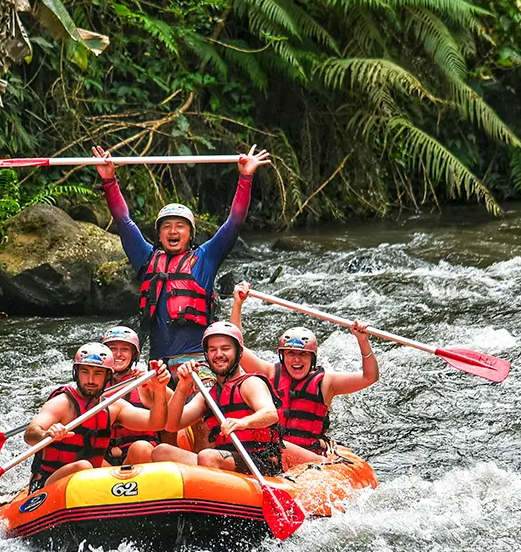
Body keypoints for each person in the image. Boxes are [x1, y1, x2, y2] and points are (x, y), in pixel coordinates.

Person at [91, 143, 272, 373]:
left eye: (180, 226)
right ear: (159, 235)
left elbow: (234, 221)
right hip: (158, 367)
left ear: (190, 234)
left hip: (198, 364)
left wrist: (245, 177)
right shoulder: (146, 259)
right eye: (166, 226)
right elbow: (123, 222)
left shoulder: (205, 258)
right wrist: (109, 181)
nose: (173, 231)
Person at [230, 282, 379, 464]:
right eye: (290, 354)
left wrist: (363, 340)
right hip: (274, 453)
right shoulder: (270, 373)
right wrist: (238, 303)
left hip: (310, 457)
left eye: (303, 354)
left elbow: (369, 377)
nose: (296, 360)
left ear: (312, 358)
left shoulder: (326, 382)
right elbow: (236, 347)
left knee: (277, 445)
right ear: (282, 356)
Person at [24, 342, 170, 491]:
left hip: (91, 483)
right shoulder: (62, 403)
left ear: (108, 376)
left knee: (135, 451)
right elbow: (30, 434)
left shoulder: (113, 407)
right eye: (85, 372)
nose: (90, 380)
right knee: (83, 467)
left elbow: (156, 423)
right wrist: (46, 434)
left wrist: (159, 389)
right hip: (49, 484)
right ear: (76, 373)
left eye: (98, 373)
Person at [152, 322, 283, 476]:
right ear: (206, 355)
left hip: (261, 463)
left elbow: (270, 413)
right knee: (162, 452)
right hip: (224, 462)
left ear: (239, 352)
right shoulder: (208, 394)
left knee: (207, 456)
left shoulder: (250, 383)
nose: (218, 354)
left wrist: (243, 422)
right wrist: (183, 385)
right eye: (213, 350)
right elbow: (171, 425)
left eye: (225, 349)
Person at [101, 325, 171, 466]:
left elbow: (178, 410)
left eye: (125, 349)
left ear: (134, 355)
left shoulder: (144, 381)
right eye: (113, 349)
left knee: (140, 448)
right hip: (105, 457)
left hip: (139, 455)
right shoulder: (95, 384)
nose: (118, 354)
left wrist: (158, 386)